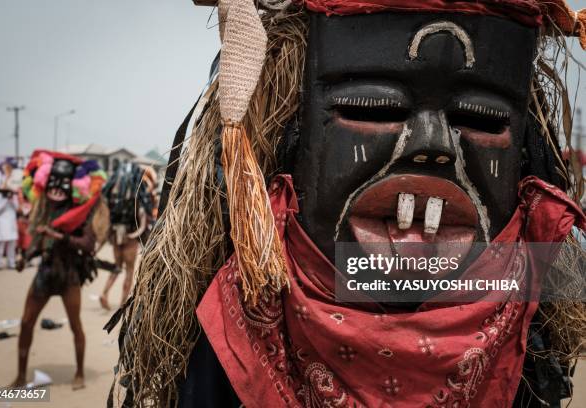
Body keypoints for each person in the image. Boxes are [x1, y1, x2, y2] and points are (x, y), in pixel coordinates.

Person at [108, 1, 586, 407]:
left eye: (479, 119)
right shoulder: (232, 339)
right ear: (284, 150)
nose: (434, 144)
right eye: (372, 109)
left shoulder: (527, 342)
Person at [11, 150, 107, 390]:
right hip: (45, 272)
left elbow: (87, 244)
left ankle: (79, 374)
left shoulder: (81, 212)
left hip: (69, 274)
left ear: (73, 185)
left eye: (62, 182)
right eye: (52, 181)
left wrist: (59, 235)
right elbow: (38, 242)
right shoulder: (44, 210)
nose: (56, 188)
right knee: (25, 323)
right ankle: (21, 376)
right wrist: (26, 256)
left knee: (76, 326)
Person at [99, 161, 155, 310]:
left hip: (117, 234)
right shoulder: (138, 194)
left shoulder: (115, 195)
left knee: (117, 267)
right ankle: (123, 303)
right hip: (130, 236)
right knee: (129, 271)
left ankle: (104, 294)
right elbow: (143, 218)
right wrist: (136, 234)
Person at [0, 187, 18, 269]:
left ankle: (11, 262)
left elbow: (17, 208)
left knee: (12, 244)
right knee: (1, 244)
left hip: (12, 223)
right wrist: (6, 200)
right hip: (2, 222)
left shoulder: (13, 196)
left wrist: (11, 200)